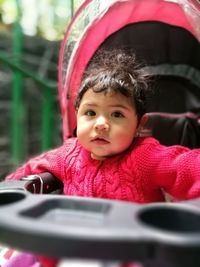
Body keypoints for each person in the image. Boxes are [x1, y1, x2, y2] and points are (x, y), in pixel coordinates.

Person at [4, 48, 200, 267]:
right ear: (77, 115)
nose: (101, 124)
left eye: (117, 114)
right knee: (21, 255)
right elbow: (30, 170)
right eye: (90, 113)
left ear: (139, 126)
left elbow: (188, 166)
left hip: (130, 254)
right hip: (70, 245)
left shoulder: (146, 156)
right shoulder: (67, 154)